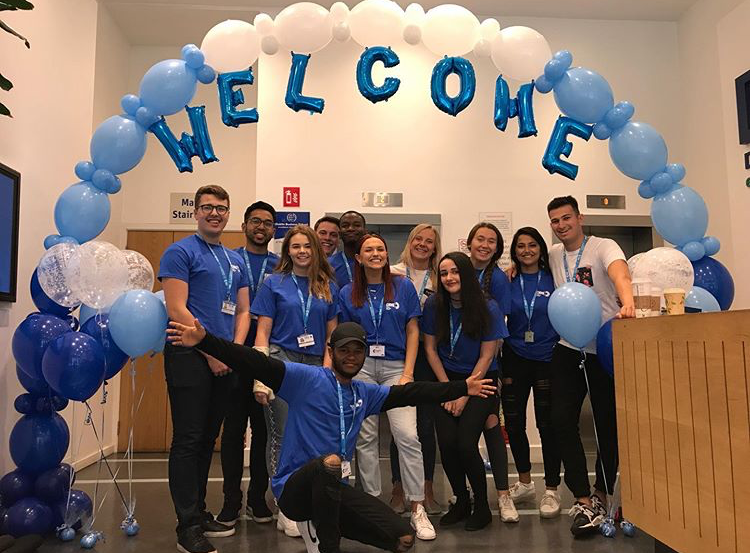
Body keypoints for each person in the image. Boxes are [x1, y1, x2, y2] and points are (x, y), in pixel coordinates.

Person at [166, 320, 497, 553]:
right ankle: (328, 546)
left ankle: (329, 525)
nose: (351, 356)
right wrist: (206, 341)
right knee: (330, 463)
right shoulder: (305, 379)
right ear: (331, 351)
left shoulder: (365, 394)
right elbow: (253, 361)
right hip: (294, 489)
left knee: (403, 538)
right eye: (344, 350)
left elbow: (412, 392)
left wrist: (462, 387)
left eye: (357, 351)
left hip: (332, 489)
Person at [159, 184, 251, 553]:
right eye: (208, 207)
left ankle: (198, 511)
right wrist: (211, 352)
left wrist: (232, 352)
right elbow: (176, 308)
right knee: (188, 439)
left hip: (224, 358)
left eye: (221, 208)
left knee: (207, 440)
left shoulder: (235, 260)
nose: (215, 213)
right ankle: (187, 527)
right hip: (189, 355)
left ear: (228, 214)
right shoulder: (179, 252)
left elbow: (243, 310)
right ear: (196, 212)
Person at [545, 196, 634, 536]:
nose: (561, 225)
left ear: (579, 218)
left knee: (607, 425)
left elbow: (620, 272)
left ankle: (602, 492)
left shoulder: (603, 246)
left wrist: (628, 302)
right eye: (555, 220)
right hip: (568, 347)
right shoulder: (553, 254)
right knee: (560, 420)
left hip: (604, 349)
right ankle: (582, 498)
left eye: (566, 217)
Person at [338, 234, 435, 541]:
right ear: (359, 258)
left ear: (386, 254)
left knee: (406, 434)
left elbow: (412, 330)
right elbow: (344, 336)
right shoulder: (347, 292)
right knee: (365, 437)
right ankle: (372, 507)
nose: (376, 253)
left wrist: (408, 373)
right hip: (362, 368)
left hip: (396, 368)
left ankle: (417, 506)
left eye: (380, 249)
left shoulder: (402, 286)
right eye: (369, 250)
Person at [252, 224, 340, 538]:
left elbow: (331, 335)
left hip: (315, 365)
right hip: (281, 362)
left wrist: (328, 373)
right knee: (282, 434)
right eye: (295, 246)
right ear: (287, 251)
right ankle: (284, 506)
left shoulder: (326, 285)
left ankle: (305, 501)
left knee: (311, 436)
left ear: (316, 249)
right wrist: (261, 376)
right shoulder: (273, 283)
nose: (302, 251)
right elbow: (263, 331)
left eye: (307, 246)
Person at [422, 252, 516, 531]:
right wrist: (449, 391)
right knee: (447, 443)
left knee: (465, 443)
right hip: (445, 380)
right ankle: (462, 501)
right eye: (444, 273)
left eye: (455, 271)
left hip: (481, 379)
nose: (449, 278)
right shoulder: (434, 305)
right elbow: (430, 349)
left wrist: (464, 392)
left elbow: (487, 356)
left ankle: (482, 506)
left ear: (466, 273)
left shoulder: (488, 307)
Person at [217, 200, 278, 528]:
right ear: (243, 226)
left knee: (264, 432)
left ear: (274, 230)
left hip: (266, 358)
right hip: (233, 353)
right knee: (233, 431)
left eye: (267, 222)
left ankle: (257, 499)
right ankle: (231, 501)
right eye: (255, 221)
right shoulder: (228, 260)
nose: (260, 227)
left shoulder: (281, 265)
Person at [501, 227, 562, 518]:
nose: (527, 250)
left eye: (532, 245)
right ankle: (525, 483)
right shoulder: (507, 279)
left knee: (547, 425)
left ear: (541, 249)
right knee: (513, 424)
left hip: (547, 357)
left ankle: (551, 489)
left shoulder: (554, 278)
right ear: (514, 251)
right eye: (521, 246)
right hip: (514, 356)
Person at [388, 224, 443, 515]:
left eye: (429, 241)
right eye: (418, 239)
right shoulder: (393, 273)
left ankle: (426, 489)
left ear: (435, 248)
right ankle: (397, 488)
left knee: (425, 425)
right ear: (409, 242)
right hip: (400, 353)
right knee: (400, 426)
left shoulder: (439, 277)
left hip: (429, 355)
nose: (422, 244)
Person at [466, 222, 514, 514]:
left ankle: (504, 495)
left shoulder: (497, 279)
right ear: (469, 243)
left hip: (487, 366)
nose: (484, 245)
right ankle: (473, 493)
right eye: (480, 239)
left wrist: (486, 369)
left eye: (491, 241)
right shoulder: (458, 270)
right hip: (458, 365)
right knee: (465, 433)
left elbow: (499, 329)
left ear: (497, 249)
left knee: (491, 424)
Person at [329, 211, 366, 288]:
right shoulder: (328, 264)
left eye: (357, 225)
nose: (350, 228)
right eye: (345, 226)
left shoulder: (372, 262)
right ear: (339, 234)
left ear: (365, 231)